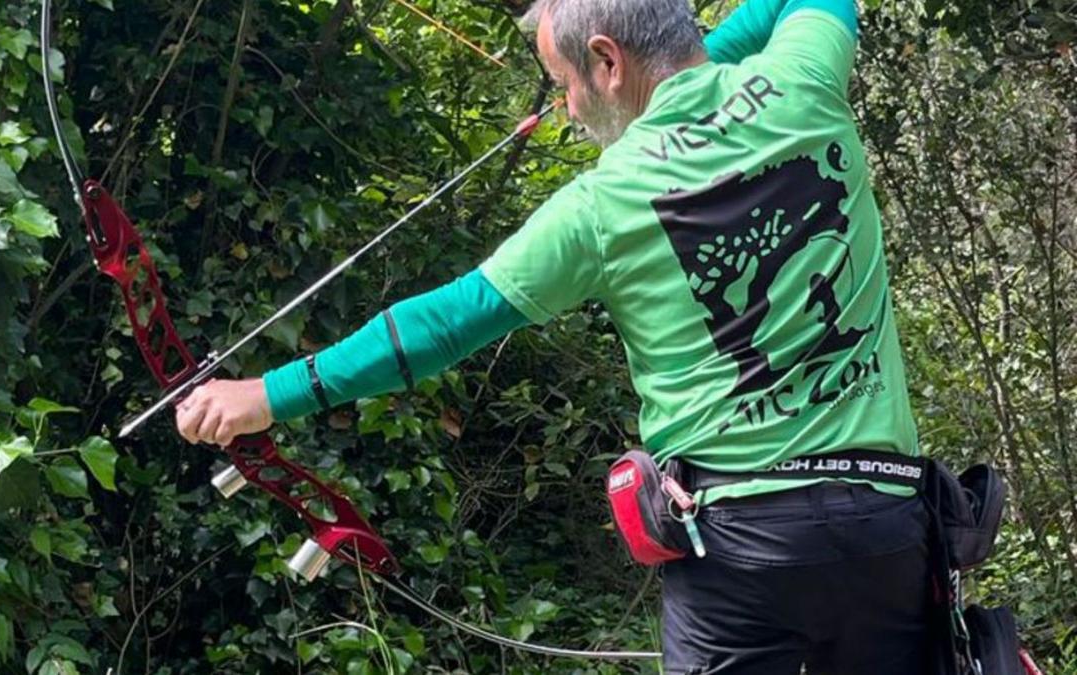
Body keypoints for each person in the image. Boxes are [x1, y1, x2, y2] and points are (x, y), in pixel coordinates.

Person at [175, 0, 932, 672]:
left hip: (740, 555)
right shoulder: (805, 82)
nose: (566, 108)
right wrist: (700, 68)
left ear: (606, 61)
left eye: (564, 82)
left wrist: (268, 393)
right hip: (886, 528)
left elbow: (443, 322)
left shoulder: (600, 207)